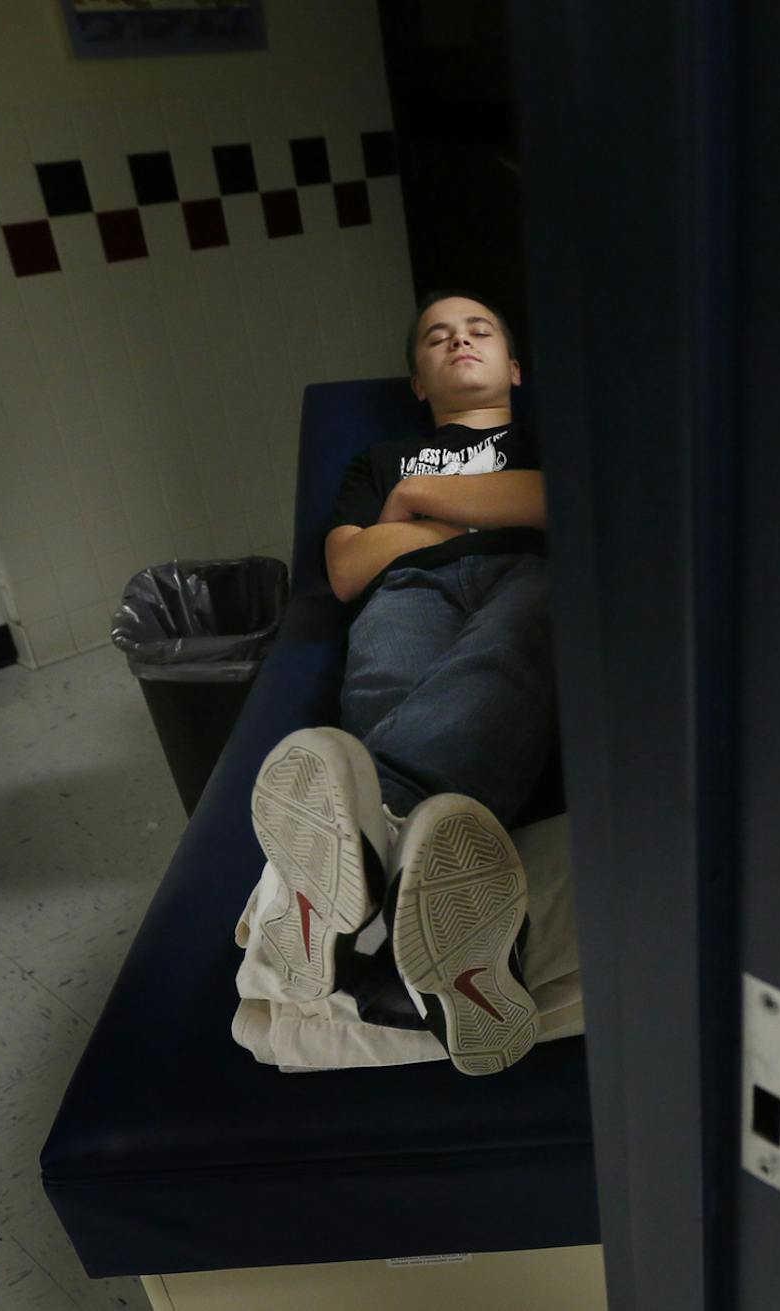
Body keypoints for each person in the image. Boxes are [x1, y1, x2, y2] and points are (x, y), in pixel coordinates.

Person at [247, 290, 554, 1076]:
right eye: (437, 338)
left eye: (479, 330)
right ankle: (458, 934)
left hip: (528, 576)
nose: (459, 341)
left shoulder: (540, 435)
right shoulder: (378, 459)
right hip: (407, 591)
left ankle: (362, 876)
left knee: (510, 649)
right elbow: (349, 568)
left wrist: (416, 503)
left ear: (513, 368)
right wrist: (478, 513)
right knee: (388, 682)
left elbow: (556, 504)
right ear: (419, 380)